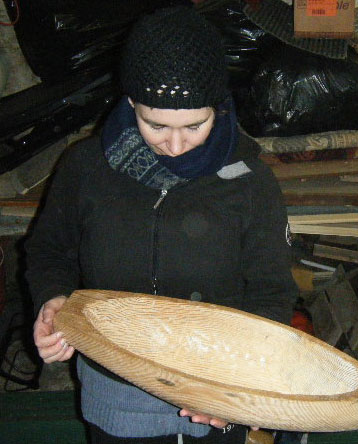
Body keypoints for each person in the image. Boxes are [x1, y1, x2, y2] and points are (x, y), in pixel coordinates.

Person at [26, 6, 298, 444]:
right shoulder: (87, 167)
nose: (174, 145)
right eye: (155, 124)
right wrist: (53, 300)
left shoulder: (249, 180)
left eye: (194, 125)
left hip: (215, 388)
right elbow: (49, 251)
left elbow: (272, 293)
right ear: (130, 101)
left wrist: (235, 383)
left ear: (219, 107)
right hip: (114, 389)